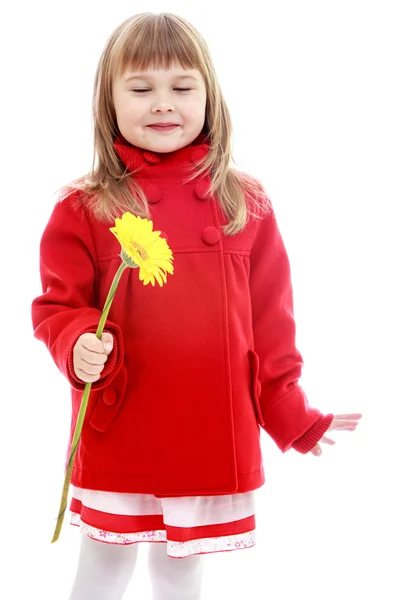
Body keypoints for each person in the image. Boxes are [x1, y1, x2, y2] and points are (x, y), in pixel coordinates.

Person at [31, 12, 362, 600]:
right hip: (121, 416)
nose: (163, 104)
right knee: (105, 560)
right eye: (140, 88)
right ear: (109, 101)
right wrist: (78, 341)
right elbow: (58, 306)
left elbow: (271, 324)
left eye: (182, 87)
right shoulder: (83, 206)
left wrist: (293, 414)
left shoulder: (246, 202)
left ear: (210, 96)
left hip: (210, 425)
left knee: (183, 567)